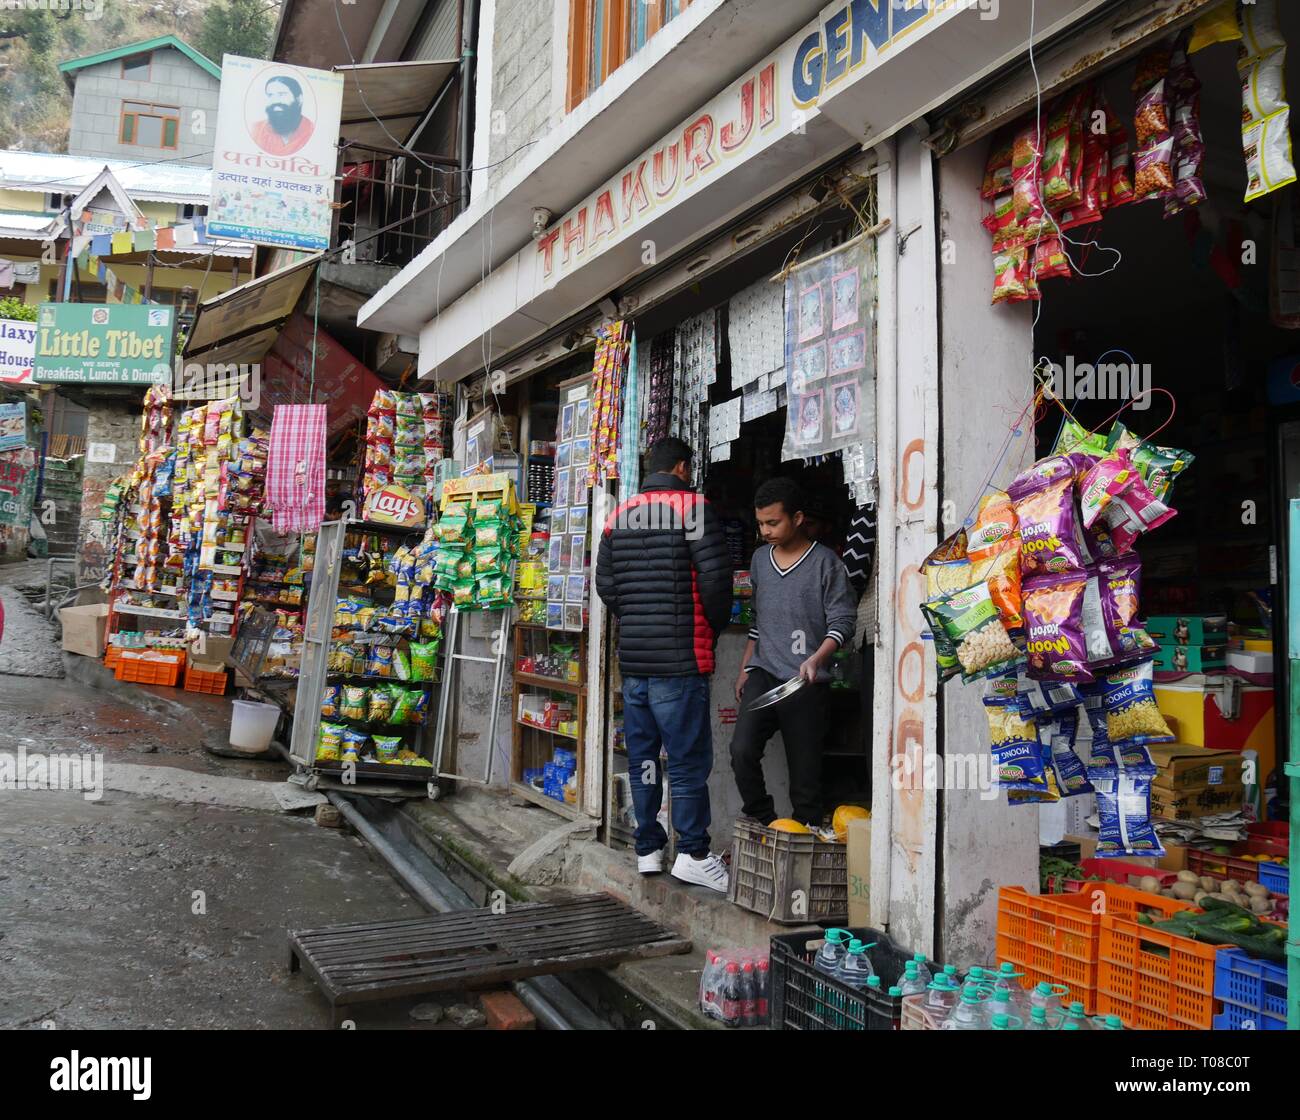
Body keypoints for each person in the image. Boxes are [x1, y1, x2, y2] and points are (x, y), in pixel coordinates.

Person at [595, 437, 733, 892]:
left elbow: (606, 585)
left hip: (635, 664)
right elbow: (717, 585)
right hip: (681, 661)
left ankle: (648, 849)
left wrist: (637, 618)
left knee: (644, 760)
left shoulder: (618, 516)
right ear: (681, 467)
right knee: (688, 761)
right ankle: (693, 853)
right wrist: (707, 629)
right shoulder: (694, 509)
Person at [730, 477, 857, 828]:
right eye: (761, 524)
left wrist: (818, 657)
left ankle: (803, 841)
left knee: (805, 776)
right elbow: (760, 618)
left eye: (773, 522)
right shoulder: (759, 559)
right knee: (741, 752)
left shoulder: (825, 563)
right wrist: (745, 667)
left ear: (797, 518)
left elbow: (844, 621)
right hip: (764, 674)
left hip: (806, 682)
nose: (765, 531)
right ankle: (767, 822)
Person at [252, 75, 315, 157]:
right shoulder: (257, 130)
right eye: (270, 95)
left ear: (299, 99)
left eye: (282, 94)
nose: (275, 101)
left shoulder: (312, 131)